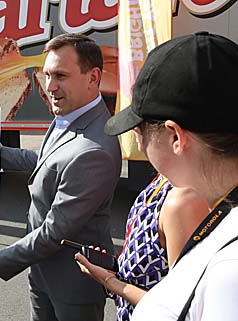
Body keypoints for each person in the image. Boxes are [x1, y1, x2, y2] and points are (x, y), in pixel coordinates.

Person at [0, 33, 122, 321]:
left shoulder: (94, 149)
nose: (49, 87)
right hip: (43, 273)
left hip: (73, 284)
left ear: (93, 77)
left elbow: (54, 231)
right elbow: (51, 163)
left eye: (60, 75)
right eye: (47, 75)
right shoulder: (70, 116)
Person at [101, 32, 238, 321]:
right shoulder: (222, 218)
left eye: (139, 130)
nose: (138, 143)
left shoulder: (227, 270)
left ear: (175, 136)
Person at [75, 173, 209, 321]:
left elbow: (178, 308)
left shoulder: (182, 202)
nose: (138, 148)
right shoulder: (164, 179)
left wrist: (110, 282)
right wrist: (114, 270)